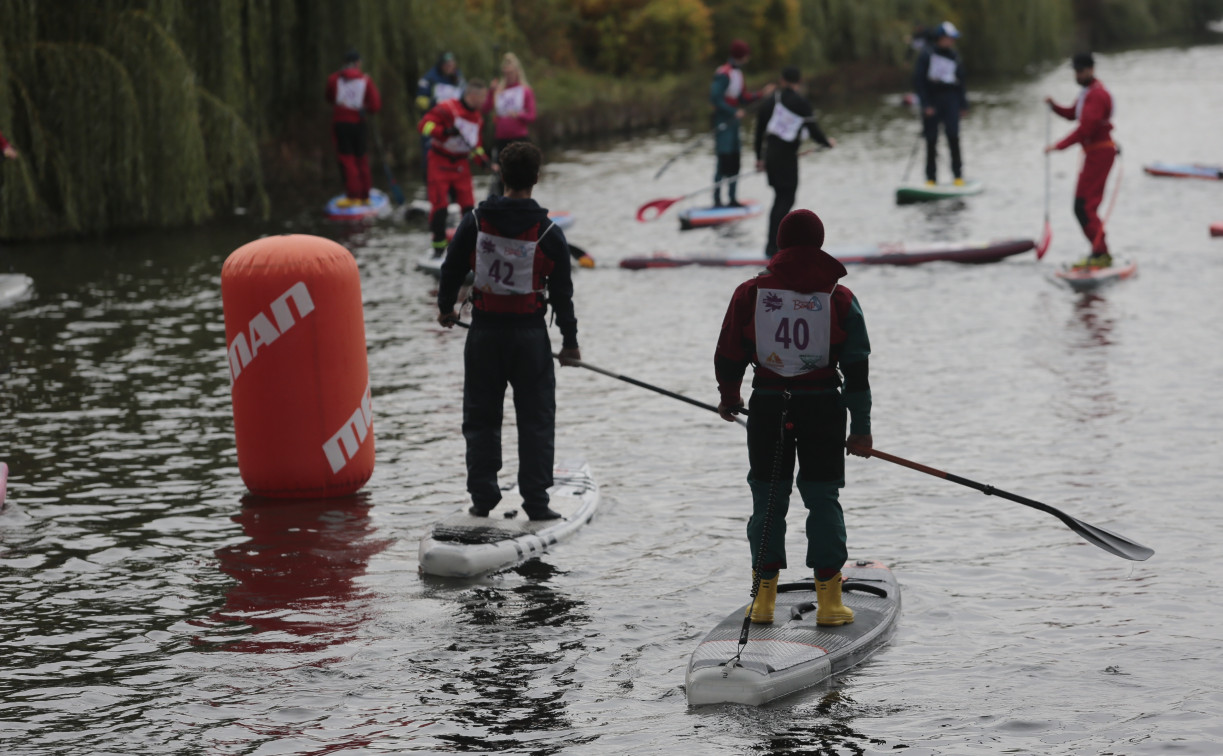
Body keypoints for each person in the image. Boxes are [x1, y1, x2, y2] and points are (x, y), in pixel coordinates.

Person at [714, 209, 873, 627]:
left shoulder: (750, 292)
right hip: (823, 408)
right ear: (819, 243)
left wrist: (729, 397)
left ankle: (763, 602)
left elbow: (729, 352)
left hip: (768, 405)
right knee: (822, 499)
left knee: (768, 499)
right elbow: (857, 370)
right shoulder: (840, 297)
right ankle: (830, 604)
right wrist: (861, 429)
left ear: (780, 244)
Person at [436, 142, 581, 522]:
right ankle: (536, 502)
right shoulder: (549, 232)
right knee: (536, 420)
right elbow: (563, 294)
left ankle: (483, 499)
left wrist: (446, 308)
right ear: (536, 177)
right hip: (529, 338)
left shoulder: (475, 221)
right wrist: (570, 343)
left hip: (484, 334)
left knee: (480, 418)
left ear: (501, 175)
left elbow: (451, 267)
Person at [1045, 52, 1116, 269]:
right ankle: (1100, 251)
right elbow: (1072, 114)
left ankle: (1101, 253)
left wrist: (1058, 146)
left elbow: (1085, 129)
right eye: (1075, 71)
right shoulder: (1087, 92)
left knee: (1084, 207)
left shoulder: (1097, 95)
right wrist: (1054, 106)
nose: (1077, 75)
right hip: (1094, 154)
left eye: (1081, 71)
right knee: (1082, 206)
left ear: (1091, 70)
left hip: (1100, 154)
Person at [754, 67, 834, 259]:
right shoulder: (801, 103)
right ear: (799, 81)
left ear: (782, 80)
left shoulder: (770, 101)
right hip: (787, 159)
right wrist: (827, 143)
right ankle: (775, 249)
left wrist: (759, 158)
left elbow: (758, 132)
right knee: (786, 200)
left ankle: (771, 247)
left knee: (779, 199)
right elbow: (813, 130)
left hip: (771, 157)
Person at [418, 80, 490, 256]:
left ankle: (469, 247)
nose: (485, 101)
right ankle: (438, 248)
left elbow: (475, 146)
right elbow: (423, 126)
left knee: (468, 207)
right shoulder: (447, 108)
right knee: (440, 206)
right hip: (439, 161)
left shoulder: (478, 118)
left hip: (460, 165)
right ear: (472, 95)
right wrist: (444, 131)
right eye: (483, 97)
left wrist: (484, 162)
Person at [710, 40, 773, 208]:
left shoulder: (738, 74)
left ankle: (732, 198)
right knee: (723, 160)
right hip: (723, 122)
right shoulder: (724, 73)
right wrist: (733, 111)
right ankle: (717, 200)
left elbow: (743, 98)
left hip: (734, 124)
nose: (748, 58)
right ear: (742, 55)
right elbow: (715, 98)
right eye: (747, 55)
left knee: (735, 159)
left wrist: (761, 94)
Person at [913, 21, 968, 186]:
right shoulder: (927, 55)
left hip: (950, 100)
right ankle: (931, 179)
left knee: (953, 137)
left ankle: (958, 176)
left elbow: (961, 82)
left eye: (953, 38)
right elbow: (919, 82)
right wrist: (925, 105)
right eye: (949, 38)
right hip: (932, 100)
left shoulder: (954, 56)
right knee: (931, 140)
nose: (951, 41)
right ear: (940, 38)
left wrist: (963, 105)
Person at [324, 49, 382, 207]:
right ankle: (365, 196)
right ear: (357, 63)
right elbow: (375, 106)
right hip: (359, 124)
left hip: (341, 124)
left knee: (347, 160)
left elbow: (329, 97)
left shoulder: (333, 79)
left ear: (344, 63)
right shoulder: (365, 80)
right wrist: (365, 107)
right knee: (361, 158)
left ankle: (353, 195)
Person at [483, 52, 536, 198]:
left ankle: (522, 202)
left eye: (511, 73)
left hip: (519, 138)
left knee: (522, 176)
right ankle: (503, 203)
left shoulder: (525, 90)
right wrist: (491, 92)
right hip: (501, 140)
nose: (508, 76)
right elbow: (485, 109)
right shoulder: (498, 90)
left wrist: (518, 115)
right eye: (505, 73)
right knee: (502, 176)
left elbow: (532, 116)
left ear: (517, 72)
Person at [417, 52, 465, 183]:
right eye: (447, 65)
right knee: (430, 157)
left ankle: (453, 189)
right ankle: (430, 186)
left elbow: (465, 98)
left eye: (452, 65)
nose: (450, 67)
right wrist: (433, 102)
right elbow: (420, 101)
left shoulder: (458, 78)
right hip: (434, 123)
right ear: (441, 65)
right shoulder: (429, 79)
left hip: (453, 126)